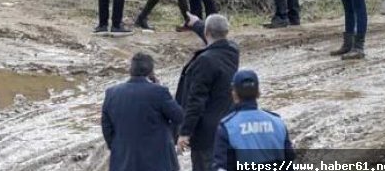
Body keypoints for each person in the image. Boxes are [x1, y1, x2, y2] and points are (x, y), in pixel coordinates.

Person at [174, 13, 240, 171]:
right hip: (225, 127)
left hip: (205, 134)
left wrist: (185, 132)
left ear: (206, 33)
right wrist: (197, 24)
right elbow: (215, 40)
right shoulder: (232, 51)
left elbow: (196, 101)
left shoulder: (205, 61)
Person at [101, 52, 184, 171]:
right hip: (157, 160)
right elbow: (179, 116)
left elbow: (106, 127)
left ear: (131, 69)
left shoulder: (112, 93)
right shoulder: (159, 92)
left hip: (123, 160)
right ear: (151, 72)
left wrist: (116, 147)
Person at [212, 70, 295, 171]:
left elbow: (222, 166)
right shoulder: (277, 122)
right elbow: (289, 160)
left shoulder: (227, 127)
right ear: (258, 93)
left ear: (234, 94)